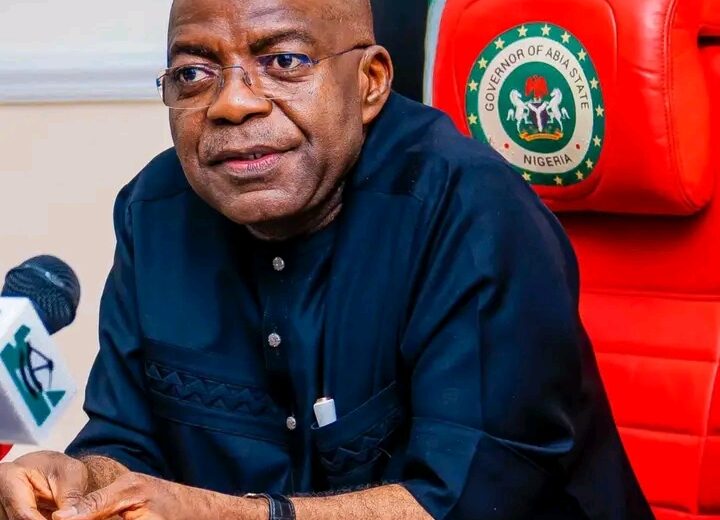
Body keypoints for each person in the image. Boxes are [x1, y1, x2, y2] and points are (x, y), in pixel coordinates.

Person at [0, 0, 653, 518]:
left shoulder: (470, 210)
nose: (232, 103)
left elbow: (467, 500)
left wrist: (227, 514)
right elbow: (126, 443)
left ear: (370, 82)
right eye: (193, 74)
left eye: (283, 61)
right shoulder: (155, 211)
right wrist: (78, 483)